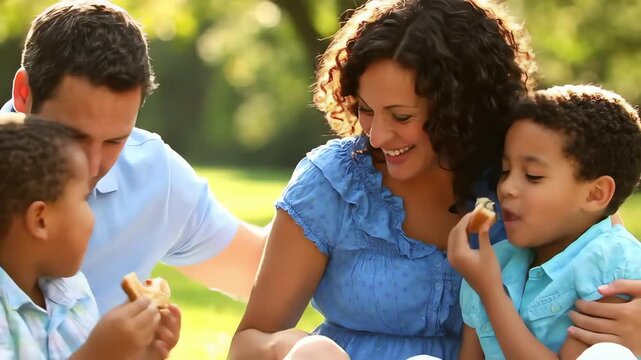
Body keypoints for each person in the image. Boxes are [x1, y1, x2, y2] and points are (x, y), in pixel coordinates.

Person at [229, 0, 641, 359]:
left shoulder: (521, 181)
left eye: (401, 116)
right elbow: (250, 341)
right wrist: (300, 351)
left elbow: (601, 246)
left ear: (461, 111)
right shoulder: (333, 183)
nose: (376, 136)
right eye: (367, 109)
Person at [2, 0, 266, 316]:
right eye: (73, 136)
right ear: (23, 94)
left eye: (115, 140)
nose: (93, 166)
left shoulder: (153, 174)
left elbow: (260, 269)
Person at [448, 84, 641, 359]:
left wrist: (492, 294)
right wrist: (486, 285)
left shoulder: (613, 268)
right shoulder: (494, 263)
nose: (507, 188)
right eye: (505, 171)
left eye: (533, 175)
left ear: (595, 194)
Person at [0, 112, 177, 359]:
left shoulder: (73, 293)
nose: (92, 215)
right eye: (83, 198)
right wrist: (98, 354)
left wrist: (139, 352)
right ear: (40, 220)